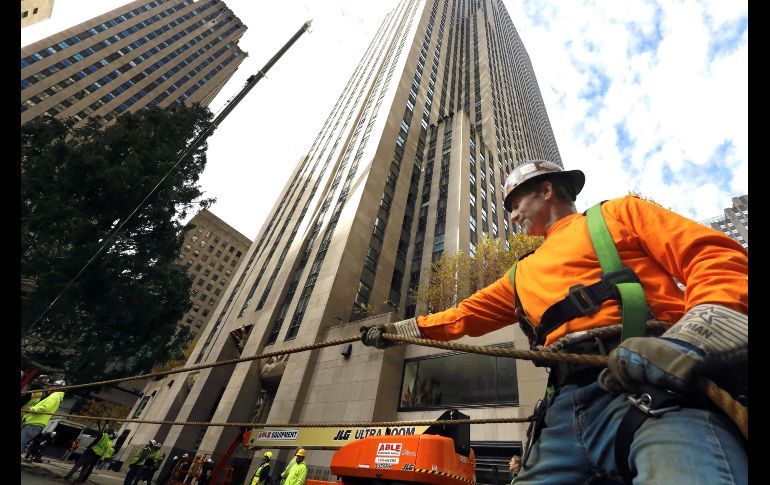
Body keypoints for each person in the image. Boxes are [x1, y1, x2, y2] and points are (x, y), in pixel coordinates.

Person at [361, 160, 748, 484]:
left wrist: (694, 337)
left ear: (547, 190)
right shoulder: (519, 273)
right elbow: (461, 318)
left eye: (515, 202)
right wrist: (396, 332)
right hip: (562, 411)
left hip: (655, 384)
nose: (511, 216)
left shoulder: (618, 213)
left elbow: (712, 257)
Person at [20, 380, 65, 454]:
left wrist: (31, 409)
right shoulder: (55, 396)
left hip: (34, 423)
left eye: (51, 386)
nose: (49, 388)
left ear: (57, 388)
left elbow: (45, 408)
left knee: (22, 441)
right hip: (33, 422)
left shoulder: (55, 396)